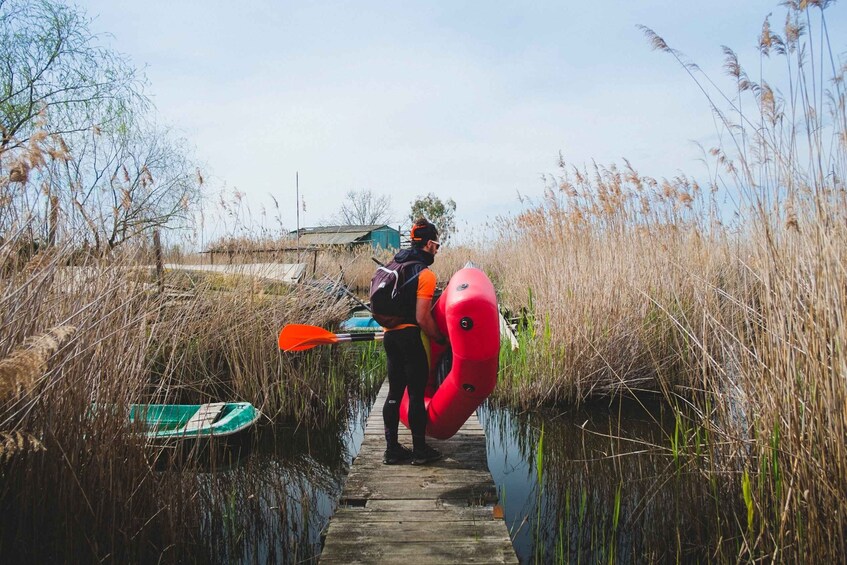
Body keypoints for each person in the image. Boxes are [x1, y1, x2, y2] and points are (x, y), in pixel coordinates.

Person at [381, 218, 448, 466]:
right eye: (437, 245)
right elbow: (422, 317)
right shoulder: (425, 274)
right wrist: (440, 338)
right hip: (410, 338)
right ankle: (419, 451)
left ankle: (392, 450)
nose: (437, 250)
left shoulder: (393, 265)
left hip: (390, 337)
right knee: (416, 395)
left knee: (394, 394)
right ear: (429, 244)